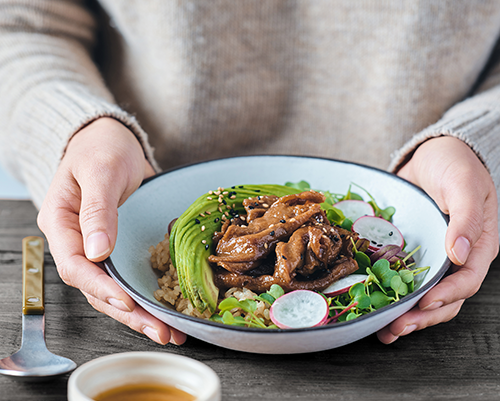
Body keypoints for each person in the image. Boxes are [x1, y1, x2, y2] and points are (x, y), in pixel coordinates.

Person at [0, 1, 498, 346]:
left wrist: (479, 142)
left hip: (431, 197)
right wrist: (79, 130)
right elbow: (21, 24)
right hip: (139, 185)